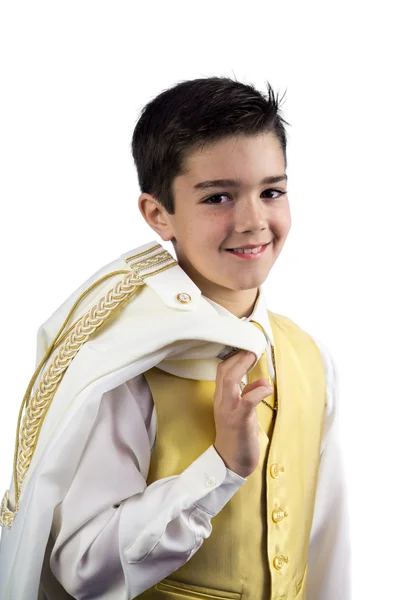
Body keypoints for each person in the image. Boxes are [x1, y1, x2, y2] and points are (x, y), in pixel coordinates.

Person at [0, 76, 351, 600]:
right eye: (218, 197)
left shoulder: (306, 357)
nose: (254, 221)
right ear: (158, 214)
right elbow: (85, 568)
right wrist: (221, 469)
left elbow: (326, 546)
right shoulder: (128, 364)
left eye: (271, 191)